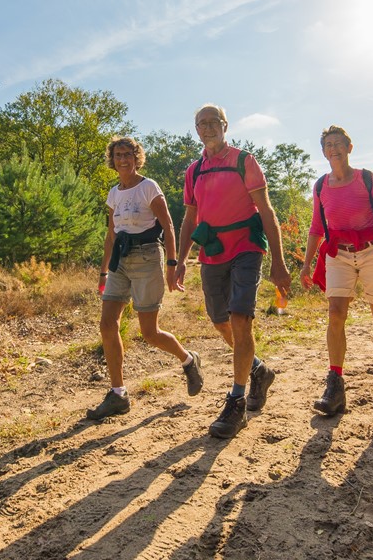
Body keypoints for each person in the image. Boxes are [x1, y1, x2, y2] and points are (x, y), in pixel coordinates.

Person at [175, 104, 292, 439]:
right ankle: (259, 370)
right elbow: (189, 218)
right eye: (202, 124)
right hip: (212, 252)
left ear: (225, 126)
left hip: (246, 246)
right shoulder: (194, 170)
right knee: (220, 321)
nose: (208, 128)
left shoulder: (244, 161)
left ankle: (236, 401)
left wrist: (279, 262)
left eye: (214, 122)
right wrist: (179, 260)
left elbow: (266, 211)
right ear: (196, 130)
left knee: (241, 318)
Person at [299, 125, 373, 415]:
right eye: (328, 145)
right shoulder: (320, 186)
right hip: (338, 253)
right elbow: (316, 227)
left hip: (371, 251)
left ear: (349, 148)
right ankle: (335, 386)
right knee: (336, 313)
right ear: (323, 152)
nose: (334, 149)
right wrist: (306, 263)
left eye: (339, 143)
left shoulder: (366, 178)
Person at [90, 137, 205, 420]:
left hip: (147, 257)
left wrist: (172, 264)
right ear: (112, 159)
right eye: (118, 155)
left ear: (137, 157)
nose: (123, 159)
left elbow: (168, 225)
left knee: (150, 333)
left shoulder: (148, 187)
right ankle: (118, 394)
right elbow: (111, 235)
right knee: (107, 324)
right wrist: (103, 272)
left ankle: (188, 360)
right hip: (120, 261)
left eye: (128, 154)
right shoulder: (114, 193)